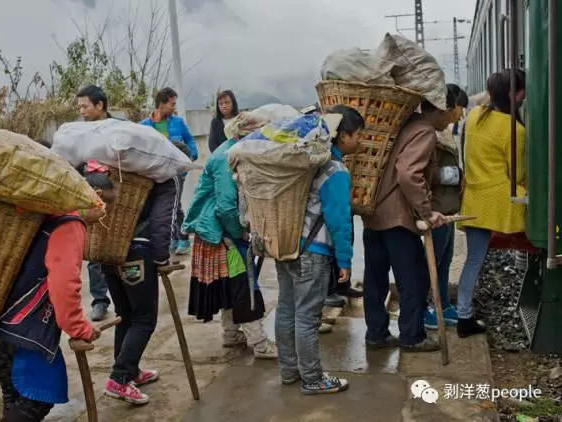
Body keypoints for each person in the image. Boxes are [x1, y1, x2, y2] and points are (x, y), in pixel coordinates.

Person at [0, 174, 109, 422]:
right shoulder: (68, 223)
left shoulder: (28, 212)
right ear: (94, 198)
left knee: (13, 392)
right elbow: (64, 285)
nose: (104, 213)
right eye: (105, 205)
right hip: (21, 329)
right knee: (38, 397)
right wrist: (79, 328)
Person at [361, 86, 458, 353]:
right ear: (440, 108)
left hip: (373, 213)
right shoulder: (424, 131)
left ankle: (377, 334)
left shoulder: (404, 123)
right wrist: (426, 211)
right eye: (450, 112)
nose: (451, 119)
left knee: (375, 278)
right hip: (397, 218)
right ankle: (412, 336)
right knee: (413, 278)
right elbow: (408, 173)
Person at [275, 105, 362, 395]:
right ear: (343, 136)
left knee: (286, 310)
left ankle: (289, 371)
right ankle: (313, 379)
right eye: (357, 134)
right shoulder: (334, 170)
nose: (359, 140)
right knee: (307, 318)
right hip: (313, 253)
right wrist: (344, 261)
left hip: (286, 246)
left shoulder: (306, 163)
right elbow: (339, 222)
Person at [182, 117, 277, 359]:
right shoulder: (226, 160)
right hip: (224, 235)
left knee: (229, 287)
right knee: (244, 285)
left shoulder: (231, 153)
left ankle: (231, 334)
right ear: (244, 136)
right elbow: (226, 208)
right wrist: (240, 234)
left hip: (216, 234)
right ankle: (260, 343)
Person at [456, 69, 527, 338]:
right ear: (516, 94)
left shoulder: (475, 116)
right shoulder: (516, 130)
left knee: (473, 260)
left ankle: (464, 317)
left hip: (474, 199)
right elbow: (517, 176)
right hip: (500, 202)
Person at [99, 163, 177, 404]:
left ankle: (129, 371)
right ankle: (119, 378)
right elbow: (162, 220)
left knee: (126, 315)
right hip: (137, 253)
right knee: (144, 319)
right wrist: (162, 257)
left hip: (108, 252)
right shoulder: (164, 179)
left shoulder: (112, 172)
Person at [424, 85, 469, 330]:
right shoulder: (433, 135)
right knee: (432, 261)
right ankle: (423, 309)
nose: (461, 114)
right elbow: (427, 173)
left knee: (445, 260)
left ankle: (442, 305)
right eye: (460, 108)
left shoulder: (445, 133)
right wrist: (457, 174)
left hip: (448, 208)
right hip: (437, 208)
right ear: (449, 108)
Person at [140, 87, 198, 256]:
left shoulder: (178, 123)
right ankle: (173, 238)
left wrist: (192, 155)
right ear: (161, 105)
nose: (174, 108)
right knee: (164, 206)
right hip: (156, 174)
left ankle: (183, 238)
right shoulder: (144, 126)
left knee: (175, 204)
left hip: (177, 172)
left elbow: (189, 140)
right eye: (172, 104)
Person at [76, 84, 112, 321]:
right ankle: (99, 300)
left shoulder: (117, 129)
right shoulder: (78, 133)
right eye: (79, 107)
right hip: (90, 196)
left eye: (85, 106)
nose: (82, 111)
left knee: (119, 249)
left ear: (100, 105)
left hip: (115, 195)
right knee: (94, 250)